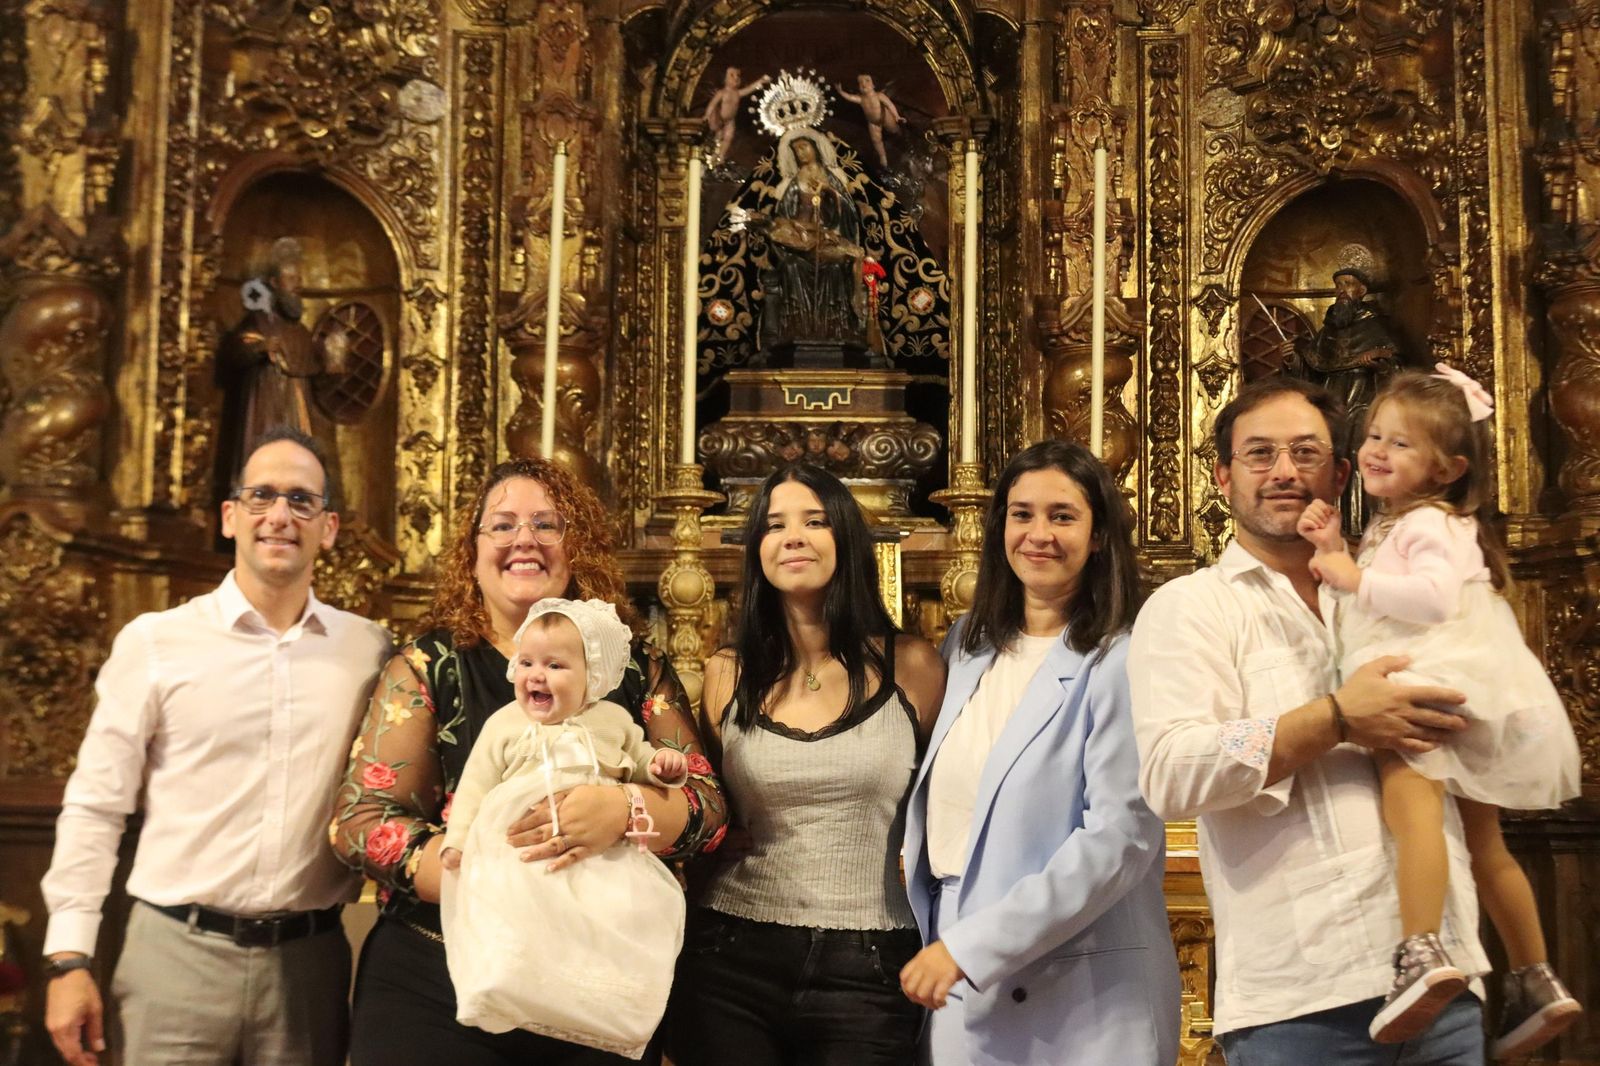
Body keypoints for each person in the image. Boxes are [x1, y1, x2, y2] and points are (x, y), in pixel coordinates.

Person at [1129, 376, 1489, 1066]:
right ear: (1223, 473)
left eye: (1306, 453)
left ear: (1344, 472)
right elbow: (1172, 774)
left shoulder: (1399, 589)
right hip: (1300, 1001)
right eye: (1260, 454)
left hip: (1445, 983)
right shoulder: (1191, 607)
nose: (1285, 472)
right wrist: (1336, 719)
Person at [330, 456, 725, 1066]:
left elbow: (708, 810)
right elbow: (360, 821)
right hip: (440, 975)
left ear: (579, 546)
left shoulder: (630, 671)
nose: (525, 540)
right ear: (473, 549)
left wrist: (623, 810)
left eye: (547, 524)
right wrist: (496, 875)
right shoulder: (430, 666)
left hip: (594, 979)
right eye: (503, 524)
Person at [41, 426, 391, 1066]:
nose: (280, 515)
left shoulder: (367, 650)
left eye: (301, 500)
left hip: (308, 964)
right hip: (174, 956)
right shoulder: (156, 642)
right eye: (261, 496)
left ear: (330, 527)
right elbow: (96, 805)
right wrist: (69, 958)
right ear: (230, 517)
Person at [1297, 367, 1582, 1054]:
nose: (1376, 451)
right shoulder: (1419, 522)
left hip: (1426, 688)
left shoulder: (1429, 523)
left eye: (1400, 444)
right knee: (1486, 844)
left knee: (1411, 814)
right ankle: (1535, 978)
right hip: (1458, 685)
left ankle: (1419, 956)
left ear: (1448, 468)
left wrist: (1354, 575)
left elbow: (1426, 601)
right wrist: (1335, 553)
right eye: (1374, 436)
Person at [899, 440, 1180, 1065]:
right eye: (1021, 514)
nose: (1038, 534)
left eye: (1062, 516)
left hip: (1081, 994)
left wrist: (974, 947)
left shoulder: (1124, 657)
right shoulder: (966, 647)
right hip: (963, 982)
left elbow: (1120, 839)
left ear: (1100, 534)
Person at [664, 463, 946, 1066]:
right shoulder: (725, 673)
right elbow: (706, 808)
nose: (792, 537)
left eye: (813, 521)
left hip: (871, 964)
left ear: (845, 537)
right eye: (773, 526)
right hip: (730, 955)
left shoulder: (915, 666)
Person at [438, 598, 688, 1058]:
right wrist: (457, 841)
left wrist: (664, 767)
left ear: (593, 678)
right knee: (516, 911)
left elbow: (641, 759)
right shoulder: (504, 723)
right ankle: (510, 981)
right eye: (527, 662)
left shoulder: (614, 720)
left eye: (555, 665)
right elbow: (473, 784)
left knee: (614, 915)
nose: (536, 674)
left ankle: (605, 997)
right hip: (520, 849)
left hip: (600, 849)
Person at [214, 237, 347, 505]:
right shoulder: (258, 321)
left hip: (299, 417)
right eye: (291, 278)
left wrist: (332, 361)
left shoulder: (299, 332)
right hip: (266, 412)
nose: (298, 285)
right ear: (274, 284)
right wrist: (262, 347)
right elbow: (236, 348)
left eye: (299, 278)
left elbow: (313, 377)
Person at [703, 66, 770, 166]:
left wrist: (761, 81)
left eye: (738, 75)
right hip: (719, 118)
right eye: (732, 75)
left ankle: (721, 156)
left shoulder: (737, 93)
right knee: (718, 138)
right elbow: (712, 104)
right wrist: (706, 115)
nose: (736, 78)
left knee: (728, 137)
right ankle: (713, 155)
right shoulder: (722, 93)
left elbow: (750, 88)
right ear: (724, 79)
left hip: (730, 121)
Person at [836, 74, 903, 168]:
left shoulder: (879, 95)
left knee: (893, 129)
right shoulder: (861, 99)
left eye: (867, 81)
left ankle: (899, 134)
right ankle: (882, 156)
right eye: (860, 82)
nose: (864, 84)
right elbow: (850, 97)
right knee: (876, 140)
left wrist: (896, 116)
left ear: (873, 85)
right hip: (873, 123)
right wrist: (840, 91)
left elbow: (889, 105)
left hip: (885, 117)